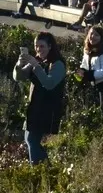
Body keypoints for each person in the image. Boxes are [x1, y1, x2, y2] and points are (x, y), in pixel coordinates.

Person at [13, 32, 66, 165]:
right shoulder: (37, 60)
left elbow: (49, 83)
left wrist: (36, 66)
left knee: (32, 139)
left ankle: (41, 169)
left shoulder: (58, 64)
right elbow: (19, 77)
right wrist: (19, 64)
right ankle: (45, 169)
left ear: (50, 46)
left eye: (42, 46)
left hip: (47, 109)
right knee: (29, 139)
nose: (38, 49)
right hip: (35, 107)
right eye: (36, 46)